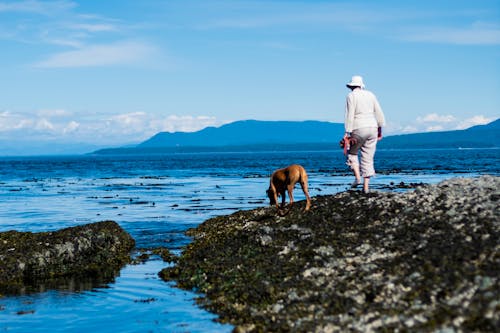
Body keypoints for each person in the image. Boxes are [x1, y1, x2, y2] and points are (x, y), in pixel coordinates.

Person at [343, 75, 385, 193]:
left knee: (352, 153)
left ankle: (357, 178)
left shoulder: (351, 96)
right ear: (361, 85)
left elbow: (349, 114)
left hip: (358, 127)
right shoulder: (371, 95)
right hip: (372, 127)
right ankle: (366, 187)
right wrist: (380, 130)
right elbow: (379, 112)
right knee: (368, 157)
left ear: (351, 86)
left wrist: (347, 132)